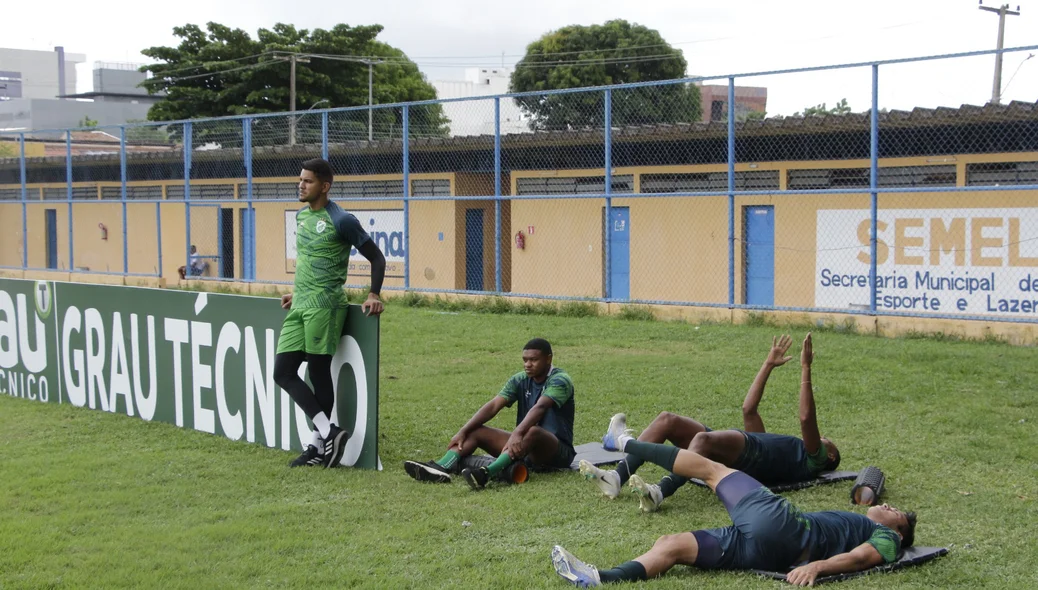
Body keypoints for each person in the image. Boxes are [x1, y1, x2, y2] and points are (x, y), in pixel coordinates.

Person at [552, 434, 916, 587]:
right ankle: (601, 579)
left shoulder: (886, 539)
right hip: (763, 550)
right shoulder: (866, 520)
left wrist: (817, 567)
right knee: (672, 544)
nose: (888, 505)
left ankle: (624, 441)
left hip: (783, 527)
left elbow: (863, 557)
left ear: (899, 532)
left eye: (895, 510)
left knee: (712, 470)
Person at [581, 333, 839, 512]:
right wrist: (768, 364)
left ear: (828, 456)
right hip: (749, 452)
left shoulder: (812, 460)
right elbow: (749, 409)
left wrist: (806, 368)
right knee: (667, 420)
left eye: (828, 443)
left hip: (749, 458)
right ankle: (617, 477)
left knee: (701, 440)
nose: (823, 438)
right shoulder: (783, 451)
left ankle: (657, 490)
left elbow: (806, 418)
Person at [274, 158, 386, 468]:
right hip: (300, 305)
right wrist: (298, 293)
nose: (301, 185)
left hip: (325, 306)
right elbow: (311, 261)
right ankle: (329, 432)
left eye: (308, 181)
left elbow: (377, 258)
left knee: (317, 373)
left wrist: (373, 293)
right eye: (300, 179)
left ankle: (316, 446)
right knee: (282, 372)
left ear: (325, 186)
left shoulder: (342, 220)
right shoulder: (299, 217)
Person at [403, 338, 575, 490]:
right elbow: (494, 406)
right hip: (523, 446)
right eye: (525, 360)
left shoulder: (560, 380)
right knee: (476, 430)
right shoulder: (520, 379)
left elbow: (541, 407)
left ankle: (486, 473)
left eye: (533, 360)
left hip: (557, 452)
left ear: (548, 359)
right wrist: (463, 431)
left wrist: (517, 433)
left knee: (533, 431)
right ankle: (440, 467)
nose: (527, 364)